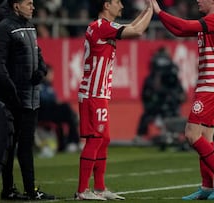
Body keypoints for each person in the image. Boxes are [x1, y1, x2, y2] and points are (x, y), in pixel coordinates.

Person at [151, 0, 214, 200]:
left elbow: (183, 26)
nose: (197, 0)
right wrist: (160, 14)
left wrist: (159, 12)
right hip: (209, 84)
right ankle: (207, 186)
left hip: (213, 85)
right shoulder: (211, 22)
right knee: (205, 138)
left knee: (191, 134)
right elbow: (179, 31)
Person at [75, 0, 153, 200]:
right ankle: (82, 190)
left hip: (99, 93)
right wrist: (153, 10)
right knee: (95, 139)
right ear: (106, 5)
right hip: (93, 93)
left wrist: (146, 10)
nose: (121, 5)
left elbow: (133, 27)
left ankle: (100, 188)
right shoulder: (100, 27)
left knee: (104, 139)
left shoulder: (103, 27)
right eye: (117, 1)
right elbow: (136, 32)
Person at [0, 0, 55, 200]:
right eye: (29, 3)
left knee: (25, 145)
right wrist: (11, 91)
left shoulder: (30, 27)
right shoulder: (2, 29)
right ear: (16, 6)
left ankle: (29, 189)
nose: (33, 7)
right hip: (14, 99)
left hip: (31, 98)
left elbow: (39, 56)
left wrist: (41, 72)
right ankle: (9, 189)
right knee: (9, 145)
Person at [134, 46, 186, 144]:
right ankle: (140, 135)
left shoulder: (172, 73)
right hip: (156, 101)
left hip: (169, 100)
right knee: (148, 115)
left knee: (174, 112)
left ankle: (174, 134)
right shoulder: (152, 76)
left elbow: (176, 85)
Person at [38, 65, 80, 153]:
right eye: (49, 74)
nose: (51, 76)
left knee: (67, 114)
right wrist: (55, 103)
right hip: (43, 113)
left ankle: (66, 144)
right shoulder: (39, 86)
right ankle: (73, 142)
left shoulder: (50, 87)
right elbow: (42, 101)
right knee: (66, 109)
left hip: (52, 112)